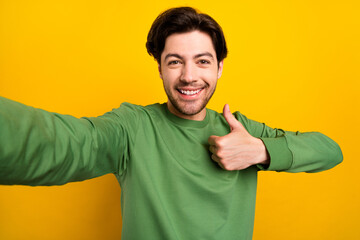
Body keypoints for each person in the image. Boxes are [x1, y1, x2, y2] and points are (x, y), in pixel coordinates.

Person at [0, 6, 342, 240]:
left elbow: (330, 150)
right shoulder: (132, 128)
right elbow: (63, 144)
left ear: (219, 67)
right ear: (160, 68)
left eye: (202, 61)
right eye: (175, 61)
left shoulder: (241, 131)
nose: (189, 76)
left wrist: (262, 150)